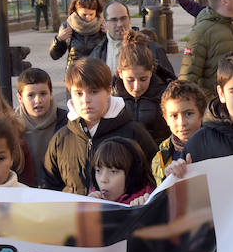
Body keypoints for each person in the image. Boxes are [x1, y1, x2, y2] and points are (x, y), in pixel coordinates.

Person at [43, 58, 157, 195]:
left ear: (108, 91)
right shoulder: (60, 139)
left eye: (93, 92)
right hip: (74, 215)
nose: (86, 100)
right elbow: (48, 189)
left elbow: (154, 179)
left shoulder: (134, 132)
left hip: (121, 214)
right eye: (79, 93)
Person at [14, 68, 67, 189]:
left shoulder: (66, 123)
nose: (38, 100)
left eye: (43, 94)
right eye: (31, 95)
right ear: (20, 98)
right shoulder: (10, 126)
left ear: (51, 94)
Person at [149, 79, 209, 182]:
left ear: (202, 113)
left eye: (188, 113)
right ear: (166, 119)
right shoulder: (161, 159)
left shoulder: (217, 145)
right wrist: (168, 179)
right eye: (174, 116)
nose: (182, 123)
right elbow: (161, 196)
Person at [115, 37, 171, 144]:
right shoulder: (111, 95)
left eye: (143, 79)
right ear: (120, 73)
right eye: (130, 80)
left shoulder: (165, 95)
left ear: (151, 71)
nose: (137, 87)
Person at [49, 0, 108, 72]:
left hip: (98, 73)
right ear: (76, 11)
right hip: (75, 74)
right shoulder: (67, 26)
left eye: (91, 14)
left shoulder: (103, 26)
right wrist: (59, 40)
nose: (88, 18)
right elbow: (54, 56)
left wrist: (110, 35)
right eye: (84, 14)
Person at [87, 137, 154, 205]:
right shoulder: (92, 200)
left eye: (113, 172)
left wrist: (143, 212)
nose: (103, 179)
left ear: (132, 176)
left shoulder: (150, 203)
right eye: (98, 171)